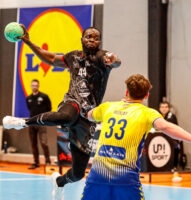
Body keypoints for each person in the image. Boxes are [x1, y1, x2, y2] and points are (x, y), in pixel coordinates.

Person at [2, 26, 121, 200]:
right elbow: (50, 57)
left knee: (78, 173)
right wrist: (27, 42)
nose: (92, 40)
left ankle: (59, 182)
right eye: (88, 37)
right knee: (66, 116)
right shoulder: (72, 56)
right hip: (72, 102)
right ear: (82, 38)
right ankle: (22, 122)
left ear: (99, 42)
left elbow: (116, 62)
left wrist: (114, 59)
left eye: (96, 38)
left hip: (88, 117)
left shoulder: (102, 58)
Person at [81, 74, 191, 200]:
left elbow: (89, 115)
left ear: (126, 92)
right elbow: (167, 127)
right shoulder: (147, 113)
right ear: (146, 95)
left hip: (97, 177)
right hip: (126, 179)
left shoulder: (108, 107)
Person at [26, 79, 52, 169]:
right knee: (33, 144)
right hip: (31, 123)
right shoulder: (28, 98)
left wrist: (44, 119)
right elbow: (30, 109)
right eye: (33, 85)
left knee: (44, 142)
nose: (34, 87)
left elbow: (49, 108)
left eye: (36, 85)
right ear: (31, 86)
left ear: (38, 86)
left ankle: (48, 161)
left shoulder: (44, 97)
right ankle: (36, 163)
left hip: (41, 123)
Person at [159, 101, 183, 170]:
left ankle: (174, 167)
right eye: (162, 107)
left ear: (168, 108)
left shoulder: (171, 116)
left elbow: (165, 126)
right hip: (162, 139)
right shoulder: (158, 116)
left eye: (166, 107)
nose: (164, 109)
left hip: (174, 138)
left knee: (175, 146)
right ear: (159, 108)